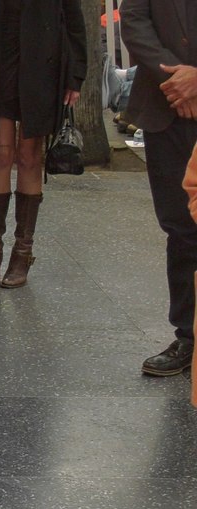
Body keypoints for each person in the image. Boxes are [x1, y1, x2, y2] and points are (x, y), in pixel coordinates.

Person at [0, 0, 87, 288]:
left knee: (29, 155)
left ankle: (22, 254)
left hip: (42, 68)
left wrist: (75, 76)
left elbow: (73, 19)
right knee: (1, 154)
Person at [121, 0, 197, 376]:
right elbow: (134, 21)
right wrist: (175, 78)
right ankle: (188, 335)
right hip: (165, 108)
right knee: (180, 226)